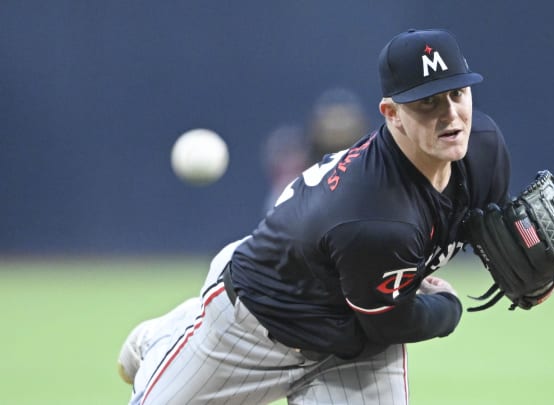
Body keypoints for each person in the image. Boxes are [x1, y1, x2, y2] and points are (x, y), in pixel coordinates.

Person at [118, 28, 512, 404]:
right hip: (253, 326)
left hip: (356, 349)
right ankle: (166, 337)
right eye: (428, 102)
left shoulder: (483, 147)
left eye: (457, 93)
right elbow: (390, 322)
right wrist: (448, 308)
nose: (452, 116)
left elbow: (486, 225)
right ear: (392, 114)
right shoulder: (374, 217)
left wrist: (530, 261)